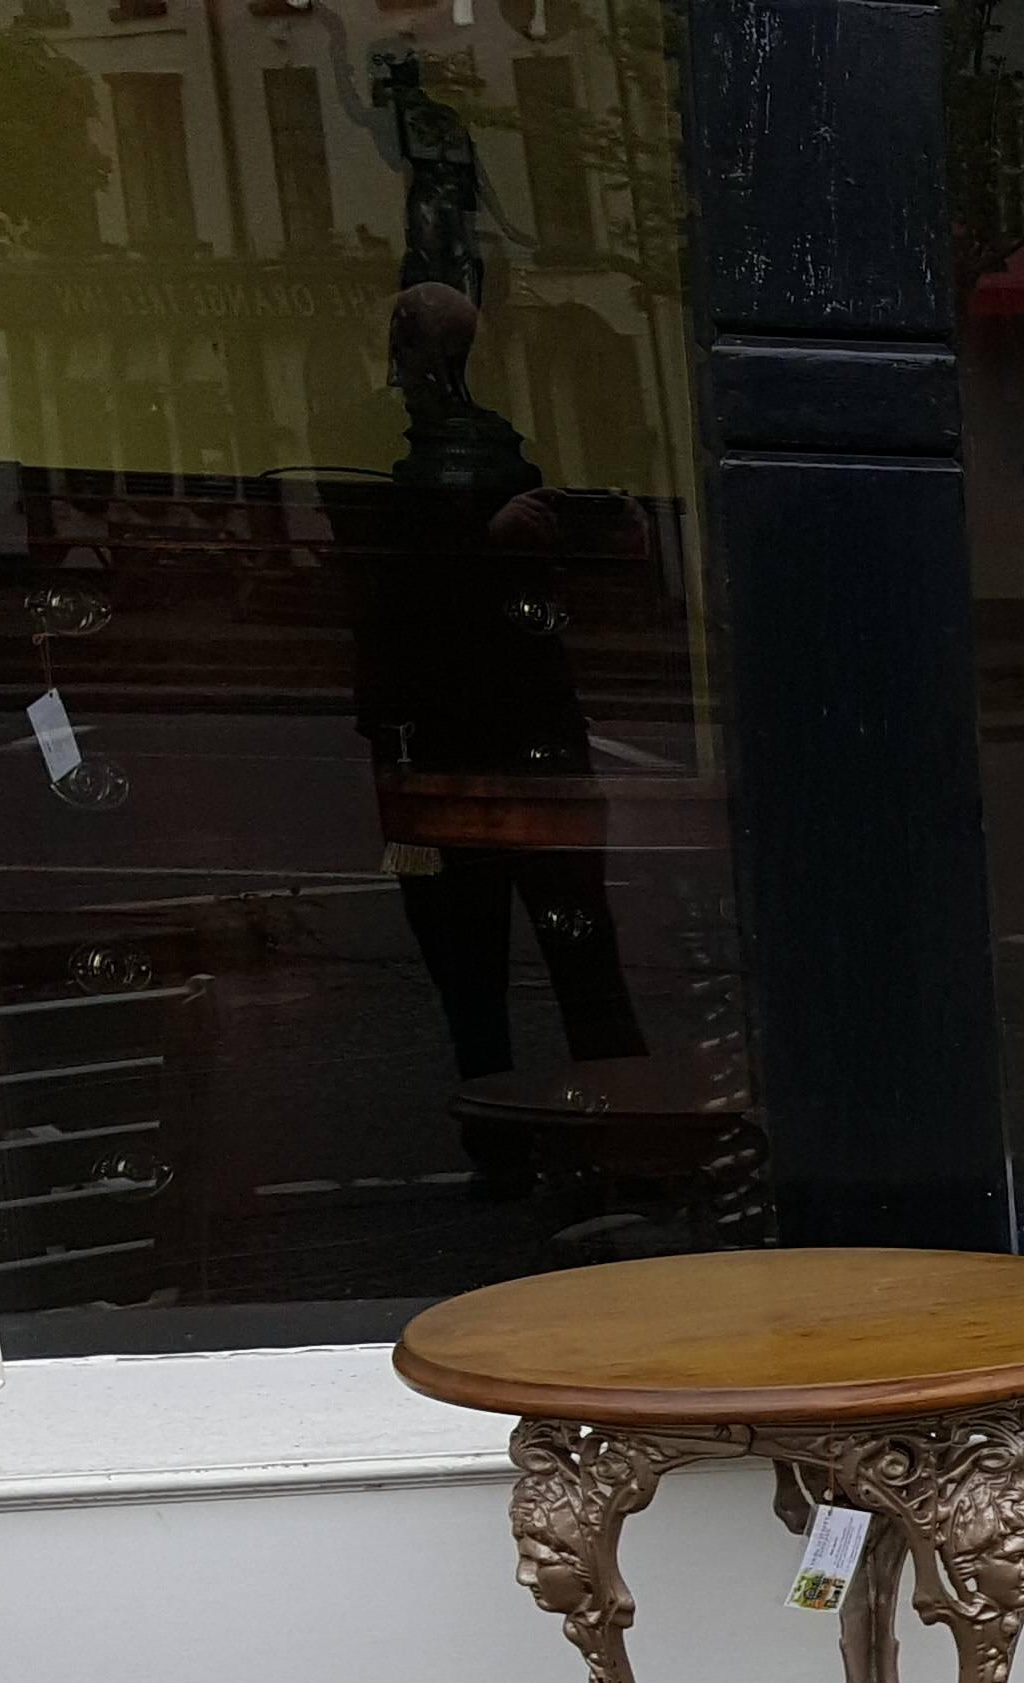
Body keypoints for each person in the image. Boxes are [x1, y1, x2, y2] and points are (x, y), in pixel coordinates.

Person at [348, 280, 644, 1188]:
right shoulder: (410, 462)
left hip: (484, 734)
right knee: (506, 949)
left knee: (539, 946)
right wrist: (497, 550)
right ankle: (567, 1134)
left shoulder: (460, 453)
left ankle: (584, 1130)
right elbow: (385, 601)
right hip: (481, 732)